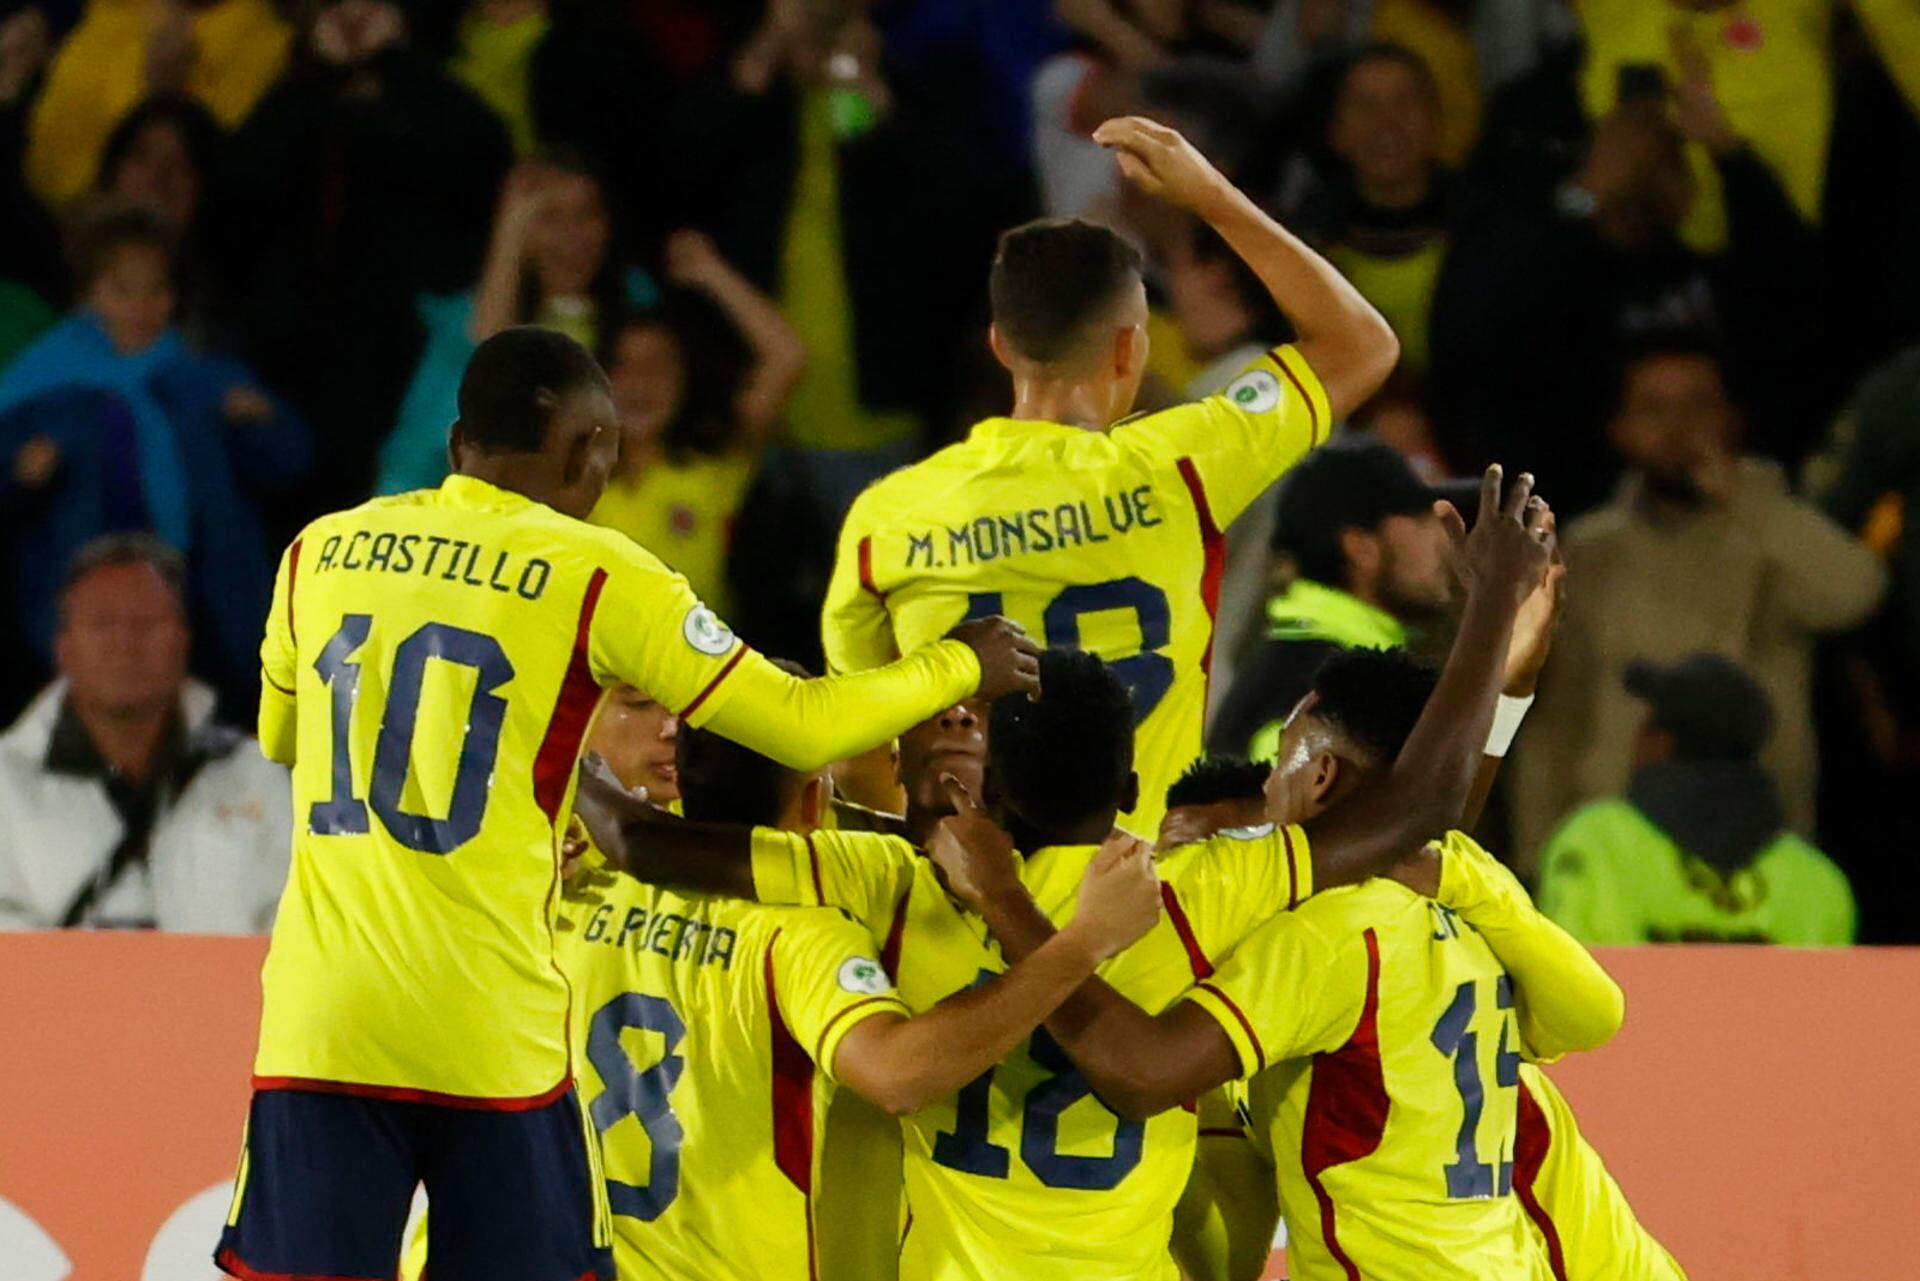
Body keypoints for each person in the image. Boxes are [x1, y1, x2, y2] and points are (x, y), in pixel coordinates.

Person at [576, 463, 1551, 1281]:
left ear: (984, 781)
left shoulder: (894, 881)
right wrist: (1497, 618)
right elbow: (1417, 810)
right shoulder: (1200, 887)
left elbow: (646, 844)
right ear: (1131, 783)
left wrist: (563, 759)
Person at [212, 326, 1041, 1281]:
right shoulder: (599, 572)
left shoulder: (320, 550)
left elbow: (288, 740)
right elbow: (805, 727)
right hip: (491, 1028)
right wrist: (957, 662)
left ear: (456, 448)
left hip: (326, 1018)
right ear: (588, 452)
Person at [933, 646, 1634, 1281]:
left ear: (1321, 775)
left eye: (1280, 758)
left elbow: (1143, 1071)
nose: (1268, 788)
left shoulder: (1321, 936)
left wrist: (1010, 903)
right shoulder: (1468, 899)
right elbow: (1598, 1015)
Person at [823, 115, 1399, 837]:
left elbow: (859, 751)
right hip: (1140, 907)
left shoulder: (888, 519)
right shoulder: (1184, 466)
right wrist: (1211, 195)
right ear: (1129, 347)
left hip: (961, 908)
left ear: (1002, 345)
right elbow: (1361, 342)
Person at [557, 690, 1161, 1281]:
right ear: (820, 799)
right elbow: (896, 1074)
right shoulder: (803, 934)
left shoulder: (579, 888)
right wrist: (1081, 945)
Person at [1136, 741, 1687, 1281]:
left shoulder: (1350, 951)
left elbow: (1598, 1016)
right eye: (1173, 864)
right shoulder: (1247, 1033)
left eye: (1221, 859)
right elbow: (1228, 1262)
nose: (1196, 887)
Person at [1508, 339, 1885, 868]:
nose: (1679, 428)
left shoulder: (1774, 531)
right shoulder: (1589, 549)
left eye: (1697, 405)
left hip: (1759, 848)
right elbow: (1557, 719)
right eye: (1655, 409)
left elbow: (1857, 594)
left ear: (1732, 419)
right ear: (1619, 430)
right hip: (1615, 848)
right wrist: (1537, 856)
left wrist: (1747, 503)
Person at [0, 203, 312, 717]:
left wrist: (263, 420)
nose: (143, 305)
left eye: (158, 289)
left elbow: (288, 466)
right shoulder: (44, 387)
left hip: (201, 598)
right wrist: (22, 473)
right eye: (123, 290)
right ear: (88, 294)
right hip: (83, 606)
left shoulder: (201, 377)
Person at [226, 0, 511, 512]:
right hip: (291, 361)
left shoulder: (435, 100)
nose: (353, 15)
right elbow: (242, 187)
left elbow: (478, 154)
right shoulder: (293, 101)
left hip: (410, 352)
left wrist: (397, 66)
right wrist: (319, 75)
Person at [0, 534, 289, 931]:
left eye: (146, 624)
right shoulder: (7, 782)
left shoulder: (257, 775)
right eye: (103, 624)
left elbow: (297, 924)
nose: (125, 643)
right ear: (62, 648)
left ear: (183, 642)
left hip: (227, 992)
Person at [377, 154, 654, 496]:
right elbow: (482, 363)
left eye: (587, 214)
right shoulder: (464, 314)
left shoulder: (638, 298)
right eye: (550, 216)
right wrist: (511, 227)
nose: (573, 235)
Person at [1538, 655, 1856, 946]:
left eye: (1647, 725)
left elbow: (1564, 977)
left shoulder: (1595, 841)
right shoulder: (1818, 882)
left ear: (1660, 742)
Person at [587, 229, 807, 617]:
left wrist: (710, 272)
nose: (641, 379)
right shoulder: (568, 471)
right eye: (624, 363)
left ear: (685, 382)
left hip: (697, 670)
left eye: (659, 364)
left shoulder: (714, 461)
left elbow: (787, 358)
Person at [1209, 436, 1467, 761]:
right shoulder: (1334, 690)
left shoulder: (1314, 664)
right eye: (1419, 522)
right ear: (1361, 549)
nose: (1442, 540)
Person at [24, 0, 292, 208]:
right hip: (35, 214)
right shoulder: (110, 12)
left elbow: (198, 181)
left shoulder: (269, 48)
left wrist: (163, 92)